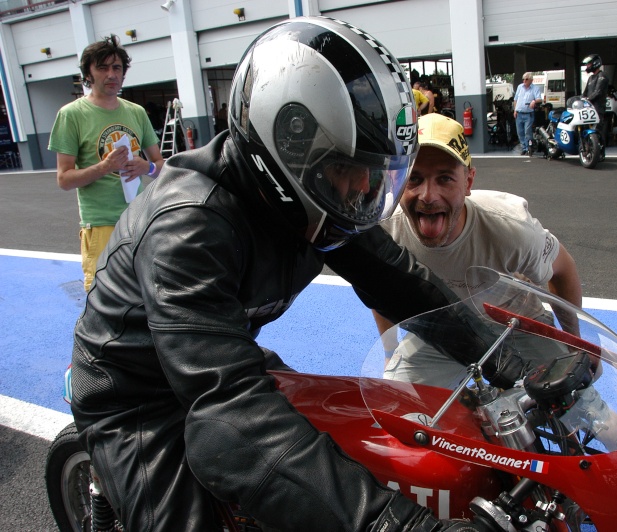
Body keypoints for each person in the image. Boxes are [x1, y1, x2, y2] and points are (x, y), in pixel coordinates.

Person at [67, 17, 491, 532]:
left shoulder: (321, 196)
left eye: (375, 173)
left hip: (216, 353)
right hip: (135, 389)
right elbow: (229, 416)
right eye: (348, 169)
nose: (363, 187)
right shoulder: (189, 227)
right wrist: (400, 526)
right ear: (290, 146)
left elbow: (402, 282)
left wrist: (507, 355)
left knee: (342, 444)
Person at [373, 113, 617, 449]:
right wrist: (390, 351)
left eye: (445, 179)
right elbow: (380, 291)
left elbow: (563, 270)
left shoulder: (509, 227)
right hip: (444, 328)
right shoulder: (386, 227)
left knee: (587, 410)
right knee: (397, 411)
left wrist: (573, 342)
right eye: (414, 178)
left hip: (515, 322)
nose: (427, 195)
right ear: (398, 180)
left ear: (468, 182)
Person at [49, 35, 164, 291]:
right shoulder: (71, 115)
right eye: (102, 67)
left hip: (140, 219)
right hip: (101, 224)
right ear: (87, 74)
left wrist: (147, 167)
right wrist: (105, 167)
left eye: (117, 68)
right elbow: (64, 179)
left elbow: (160, 165)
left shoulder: (136, 112)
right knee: (103, 296)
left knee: (148, 291)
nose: (111, 74)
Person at [581, 54, 610, 157]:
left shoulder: (602, 76)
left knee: (597, 131)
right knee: (586, 130)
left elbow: (598, 92)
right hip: (588, 109)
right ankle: (587, 150)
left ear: (595, 63)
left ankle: (600, 153)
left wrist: (587, 99)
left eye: (589, 64)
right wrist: (580, 99)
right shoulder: (591, 78)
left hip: (598, 109)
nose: (587, 66)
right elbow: (585, 93)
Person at [512, 72, 543, 155]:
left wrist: (534, 101)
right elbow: (515, 99)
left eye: (526, 79)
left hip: (528, 114)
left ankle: (529, 146)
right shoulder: (520, 87)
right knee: (520, 132)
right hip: (519, 113)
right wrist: (515, 110)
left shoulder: (535, 88)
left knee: (527, 132)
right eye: (523, 79)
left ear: (531, 80)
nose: (524, 81)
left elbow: (540, 99)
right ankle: (524, 147)